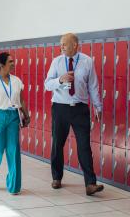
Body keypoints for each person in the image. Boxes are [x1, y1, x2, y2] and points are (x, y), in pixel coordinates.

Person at [44, 33, 104, 196]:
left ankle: (90, 183)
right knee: (57, 144)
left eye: (65, 43)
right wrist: (60, 81)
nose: (61, 46)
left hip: (80, 109)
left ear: (75, 44)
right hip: (60, 108)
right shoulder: (56, 62)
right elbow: (47, 84)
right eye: (61, 44)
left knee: (84, 145)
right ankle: (56, 178)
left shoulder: (87, 61)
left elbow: (93, 86)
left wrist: (98, 106)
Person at [0, 52, 30, 195]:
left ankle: (14, 186)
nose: (13, 63)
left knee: (13, 151)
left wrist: (26, 115)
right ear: (1, 65)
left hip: (13, 117)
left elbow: (21, 101)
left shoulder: (17, 81)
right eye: (10, 62)